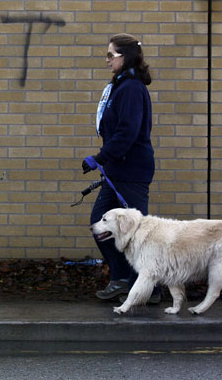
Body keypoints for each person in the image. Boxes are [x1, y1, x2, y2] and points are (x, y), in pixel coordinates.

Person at [82, 33, 158, 303]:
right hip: (117, 171)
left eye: (110, 55)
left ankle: (148, 287)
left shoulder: (131, 89)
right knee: (100, 225)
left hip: (131, 171)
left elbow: (127, 132)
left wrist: (100, 157)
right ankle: (124, 279)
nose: (107, 60)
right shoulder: (121, 86)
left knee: (138, 235)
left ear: (124, 58)